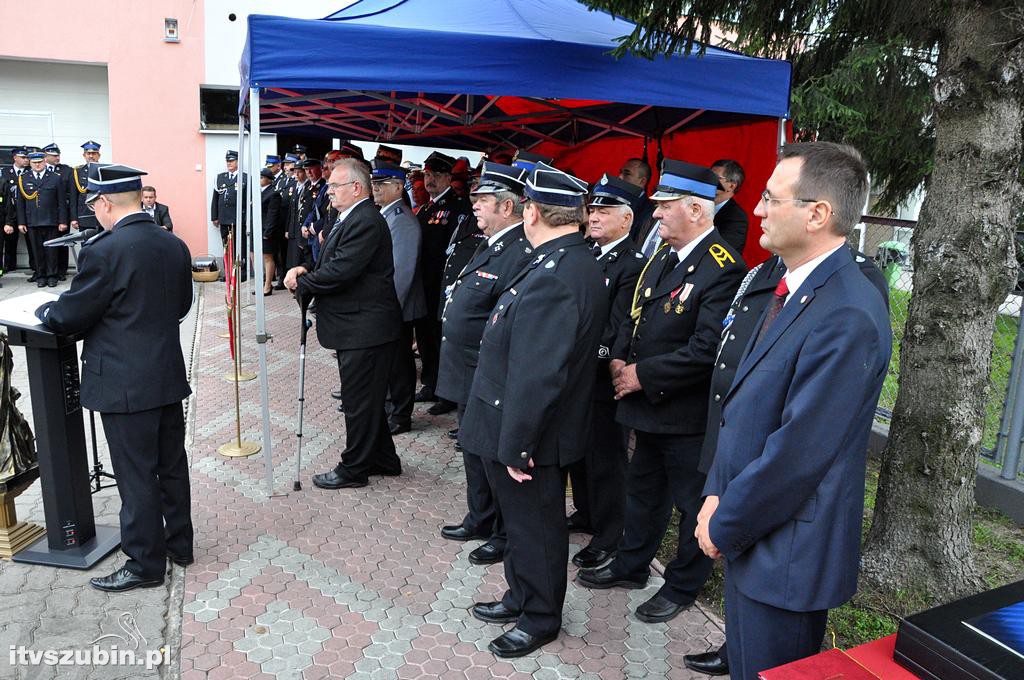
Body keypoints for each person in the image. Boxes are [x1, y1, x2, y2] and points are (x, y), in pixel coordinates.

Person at [696, 142, 891, 678]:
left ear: (817, 214)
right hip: (755, 527)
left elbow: (799, 451)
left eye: (768, 198)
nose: (755, 210)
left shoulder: (847, 311)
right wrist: (716, 490)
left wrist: (724, 521)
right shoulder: (798, 287)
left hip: (787, 552)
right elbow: (747, 405)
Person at [576, 159, 745, 628]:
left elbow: (708, 348)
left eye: (666, 207)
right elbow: (638, 316)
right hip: (645, 405)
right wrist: (619, 358)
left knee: (692, 504)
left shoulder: (723, 267)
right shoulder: (663, 257)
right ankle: (631, 566)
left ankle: (681, 586)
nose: (656, 215)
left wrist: (642, 375)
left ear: (696, 209)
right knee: (644, 492)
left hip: (684, 411)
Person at [461, 162, 607, 658]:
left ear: (532, 212)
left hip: (531, 432)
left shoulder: (560, 271)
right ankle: (521, 595)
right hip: (517, 421)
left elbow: (538, 372)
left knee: (536, 527)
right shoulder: (556, 259)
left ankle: (540, 616)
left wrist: (518, 446)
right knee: (521, 525)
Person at [35, 163, 194, 591]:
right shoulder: (173, 244)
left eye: (94, 205)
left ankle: (144, 565)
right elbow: (181, 305)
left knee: (136, 473)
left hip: (123, 381)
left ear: (105, 202)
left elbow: (70, 315)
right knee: (171, 465)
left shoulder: (104, 250)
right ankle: (180, 544)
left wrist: (46, 311)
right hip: (164, 374)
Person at [436, 162, 533, 568]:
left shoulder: (519, 251)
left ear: (507, 207)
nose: (474, 205)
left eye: (483, 200)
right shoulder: (491, 241)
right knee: (473, 450)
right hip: (467, 365)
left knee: (491, 456)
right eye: (474, 198)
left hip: (485, 369)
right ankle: (480, 517)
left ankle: (502, 532)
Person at [284, 158, 403, 488]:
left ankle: (354, 469)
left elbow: (342, 271)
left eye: (335, 186)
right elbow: (331, 261)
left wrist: (302, 284)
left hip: (365, 327)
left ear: (356, 188)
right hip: (358, 325)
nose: (329, 190)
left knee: (358, 401)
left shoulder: (365, 220)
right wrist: (306, 271)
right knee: (366, 398)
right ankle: (383, 458)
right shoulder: (348, 217)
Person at [567, 174, 647, 569]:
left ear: (627, 219)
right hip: (576, 373)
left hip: (600, 375)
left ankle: (610, 533)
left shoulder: (632, 265)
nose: (594, 216)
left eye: (604, 210)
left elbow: (618, 328)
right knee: (580, 453)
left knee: (606, 457)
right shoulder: (587, 252)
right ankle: (586, 512)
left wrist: (590, 359)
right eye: (592, 209)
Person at [413, 151, 475, 413]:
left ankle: (446, 394)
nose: (430, 180)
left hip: (443, 284)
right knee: (426, 336)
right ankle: (430, 382)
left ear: (449, 177)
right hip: (424, 283)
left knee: (442, 339)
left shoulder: (458, 208)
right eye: (427, 175)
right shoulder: (427, 207)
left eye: (436, 175)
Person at [370, 159, 426, 435]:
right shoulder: (386, 214)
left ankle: (401, 415)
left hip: (396, 306)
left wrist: (389, 309)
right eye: (374, 183)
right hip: (387, 305)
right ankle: (391, 407)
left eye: (381, 184)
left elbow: (401, 272)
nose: (375, 188)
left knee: (399, 364)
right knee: (390, 362)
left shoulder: (401, 220)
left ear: (397, 187)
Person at [15, 151, 68, 287]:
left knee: (52, 250)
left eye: (40, 162)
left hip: (51, 220)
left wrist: (63, 221)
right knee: (36, 251)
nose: (37, 165)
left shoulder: (56, 178)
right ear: (30, 163)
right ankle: (41, 275)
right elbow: (20, 203)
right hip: (32, 221)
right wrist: (21, 222)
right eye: (34, 162)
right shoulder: (23, 178)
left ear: (45, 161)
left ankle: (52, 276)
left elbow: (61, 202)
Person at [210, 150, 247, 275]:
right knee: (226, 245)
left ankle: (241, 272)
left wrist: (247, 217)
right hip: (224, 217)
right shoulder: (220, 177)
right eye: (228, 161)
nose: (229, 163)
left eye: (231, 161)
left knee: (239, 245)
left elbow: (248, 200)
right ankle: (228, 272)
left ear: (238, 162)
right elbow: (215, 197)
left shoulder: (245, 177)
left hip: (239, 218)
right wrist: (214, 216)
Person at [1, 147, 30, 274]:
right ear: (15, 158)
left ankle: (34, 266)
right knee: (9, 240)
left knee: (31, 240)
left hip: (27, 211)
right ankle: (9, 266)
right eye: (23, 157)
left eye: (27, 157)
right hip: (10, 211)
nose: (26, 160)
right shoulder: (5, 172)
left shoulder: (30, 172)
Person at [711, 159, 749, 253]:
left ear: (731, 186)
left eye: (715, 177)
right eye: (709, 175)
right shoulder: (697, 204)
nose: (708, 180)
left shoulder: (737, 218)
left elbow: (721, 252)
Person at [258, 169, 282, 295]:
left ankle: (268, 285)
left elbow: (273, 214)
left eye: (261, 177)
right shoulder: (257, 192)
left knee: (268, 257)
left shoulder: (273, 193)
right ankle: (261, 283)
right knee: (255, 256)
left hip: (266, 230)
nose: (259, 179)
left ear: (269, 179)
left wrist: (268, 232)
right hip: (256, 230)